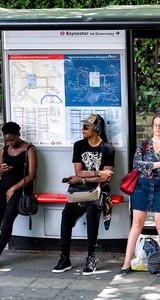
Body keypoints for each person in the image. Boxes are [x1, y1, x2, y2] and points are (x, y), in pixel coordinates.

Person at [52, 114, 115, 276]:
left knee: (93, 212)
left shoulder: (108, 148)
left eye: (86, 127)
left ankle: (91, 257)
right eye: (83, 126)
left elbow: (106, 177)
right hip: (79, 192)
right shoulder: (78, 145)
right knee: (66, 215)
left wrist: (81, 178)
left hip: (99, 191)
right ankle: (64, 258)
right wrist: (97, 172)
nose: (83, 129)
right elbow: (78, 171)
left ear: (97, 129)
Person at [120, 113, 160, 276]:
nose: (158, 127)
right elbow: (136, 164)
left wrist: (149, 167)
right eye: (155, 124)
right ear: (152, 126)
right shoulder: (143, 145)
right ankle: (127, 261)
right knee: (137, 224)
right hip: (142, 186)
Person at [0, 122, 37, 270]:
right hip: (3, 187)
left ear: (18, 135)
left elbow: (31, 175)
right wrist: (2, 169)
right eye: (7, 140)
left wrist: (13, 189)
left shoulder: (29, 149)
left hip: (19, 188)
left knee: (7, 219)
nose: (10, 143)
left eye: (12, 140)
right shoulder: (4, 150)